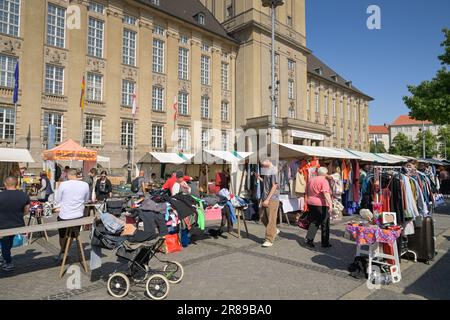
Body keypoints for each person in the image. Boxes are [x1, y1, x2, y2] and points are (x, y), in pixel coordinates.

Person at [54, 169, 90, 261]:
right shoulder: (85, 184)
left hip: (65, 216)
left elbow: (58, 200)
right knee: (72, 235)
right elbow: (86, 200)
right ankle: (66, 251)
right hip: (78, 216)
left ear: (68, 175)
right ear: (76, 175)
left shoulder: (63, 184)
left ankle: (63, 252)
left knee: (62, 235)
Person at [0, 176, 30, 271]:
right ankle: (5, 258)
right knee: (7, 244)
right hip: (17, 224)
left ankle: (8, 262)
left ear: (5, 184)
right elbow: (26, 211)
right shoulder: (24, 195)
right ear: (17, 184)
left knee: (5, 244)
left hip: (2, 225)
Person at [304, 167, 333, 248]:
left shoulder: (311, 179)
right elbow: (326, 193)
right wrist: (330, 204)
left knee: (314, 222)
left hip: (311, 203)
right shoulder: (324, 180)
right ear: (324, 173)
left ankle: (309, 240)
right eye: (327, 173)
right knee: (325, 223)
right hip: (321, 204)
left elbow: (306, 191)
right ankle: (325, 243)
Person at [257, 159, 280, 248]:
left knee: (271, 219)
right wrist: (260, 178)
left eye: (262, 163)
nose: (261, 165)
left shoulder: (274, 170)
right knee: (262, 216)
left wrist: (267, 199)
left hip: (272, 198)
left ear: (267, 160)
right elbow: (268, 184)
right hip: (265, 197)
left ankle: (269, 239)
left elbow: (274, 186)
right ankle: (273, 230)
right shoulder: (268, 171)